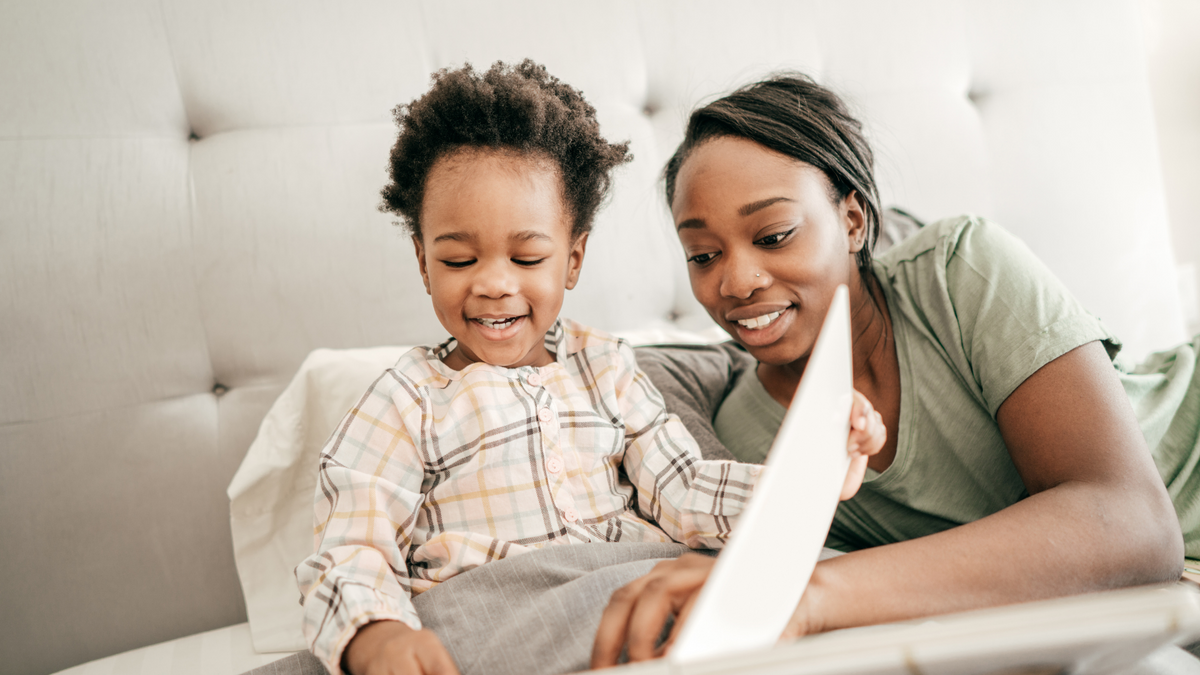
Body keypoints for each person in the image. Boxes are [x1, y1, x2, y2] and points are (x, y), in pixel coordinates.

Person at [293, 61, 886, 675]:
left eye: (528, 257)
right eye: (459, 259)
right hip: (491, 610)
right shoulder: (406, 399)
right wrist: (378, 634)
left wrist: (808, 474)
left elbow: (682, 489)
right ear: (422, 262)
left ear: (572, 260)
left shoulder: (605, 367)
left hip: (619, 591)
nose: (494, 284)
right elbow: (353, 546)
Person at [590, 73, 1196, 668]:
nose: (736, 281)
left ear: (852, 222)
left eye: (773, 236)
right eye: (702, 255)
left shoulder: (961, 268)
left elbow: (1135, 525)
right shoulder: (748, 441)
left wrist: (809, 597)